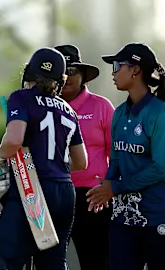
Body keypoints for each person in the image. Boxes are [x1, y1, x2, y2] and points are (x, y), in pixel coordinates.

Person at [0, 47, 88, 270]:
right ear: (60, 80)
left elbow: (14, 140)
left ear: (28, 73)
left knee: (4, 259)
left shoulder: (22, 98)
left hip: (32, 188)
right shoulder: (69, 109)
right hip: (64, 192)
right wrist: (54, 165)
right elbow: (81, 162)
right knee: (53, 262)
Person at [86, 42, 165, 270]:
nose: (113, 73)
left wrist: (116, 188)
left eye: (118, 66)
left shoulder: (161, 114)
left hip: (158, 214)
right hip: (123, 218)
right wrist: (105, 190)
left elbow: (160, 168)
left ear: (135, 70)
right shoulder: (120, 113)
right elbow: (117, 159)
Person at [54, 44, 114, 270]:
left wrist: (110, 186)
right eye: (62, 72)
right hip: (53, 194)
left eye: (72, 71)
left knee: (97, 262)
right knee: (49, 261)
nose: (67, 77)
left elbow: (115, 155)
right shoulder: (41, 107)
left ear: (83, 76)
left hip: (93, 197)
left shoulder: (101, 106)